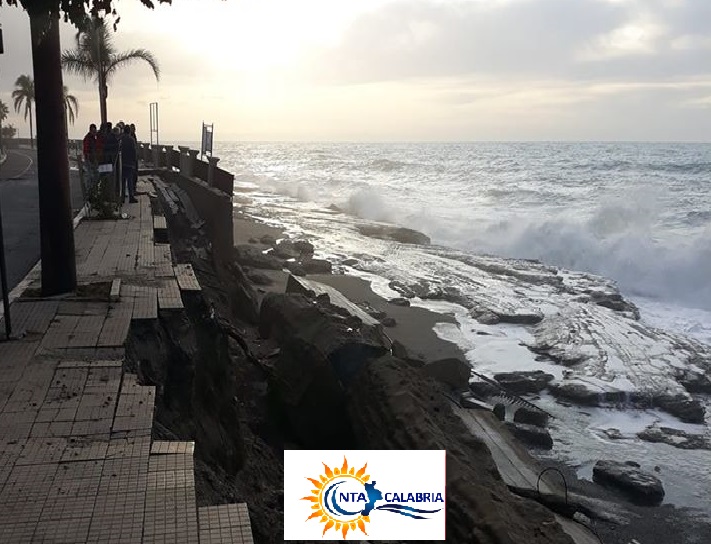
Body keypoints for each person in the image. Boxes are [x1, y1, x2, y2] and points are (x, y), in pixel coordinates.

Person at [120, 125, 138, 203]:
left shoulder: (121, 139)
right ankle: (131, 197)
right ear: (129, 131)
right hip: (129, 163)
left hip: (122, 162)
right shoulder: (131, 140)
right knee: (130, 180)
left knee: (123, 181)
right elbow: (134, 151)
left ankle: (122, 197)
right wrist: (134, 162)